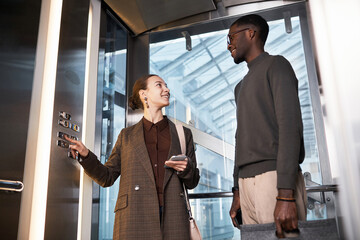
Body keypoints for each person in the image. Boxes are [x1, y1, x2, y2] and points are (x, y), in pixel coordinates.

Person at [66, 74, 200, 240]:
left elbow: (193, 181)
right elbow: (107, 177)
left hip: (174, 218)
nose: (167, 89)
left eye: (166, 85)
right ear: (144, 94)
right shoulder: (126, 136)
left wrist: (187, 169)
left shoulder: (182, 134)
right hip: (134, 217)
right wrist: (86, 157)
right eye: (159, 85)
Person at [227, 14, 307, 238]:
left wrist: (285, 195)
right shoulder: (239, 87)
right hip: (246, 184)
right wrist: (237, 190)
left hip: (274, 180)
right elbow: (239, 138)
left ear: (251, 33)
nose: (228, 44)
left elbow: (290, 128)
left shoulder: (277, 65)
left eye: (231, 37)